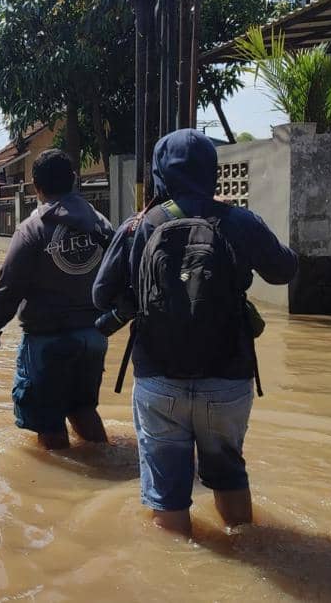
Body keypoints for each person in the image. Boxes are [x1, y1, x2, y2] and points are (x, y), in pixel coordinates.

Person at [92, 129, 298, 538]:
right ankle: (247, 547)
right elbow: (284, 270)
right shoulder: (238, 220)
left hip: (158, 379)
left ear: (158, 174)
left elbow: (100, 296)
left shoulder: (139, 226)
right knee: (228, 475)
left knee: (167, 494)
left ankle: (176, 576)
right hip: (228, 380)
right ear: (212, 172)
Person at [0, 148, 114, 451]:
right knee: (82, 409)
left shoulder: (32, 230)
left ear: (36, 187)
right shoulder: (101, 224)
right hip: (93, 337)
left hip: (47, 341)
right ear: (74, 180)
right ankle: (105, 461)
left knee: (48, 421)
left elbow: (8, 287)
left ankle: (62, 489)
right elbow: (121, 272)